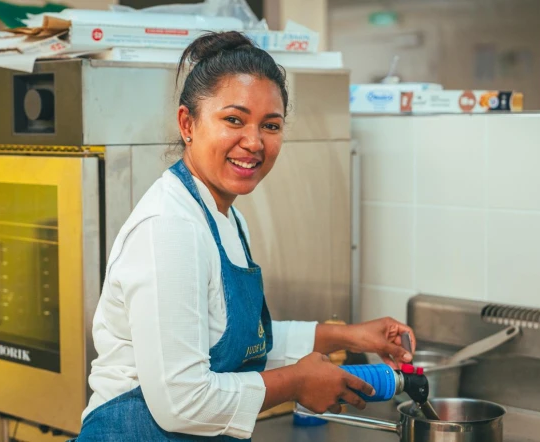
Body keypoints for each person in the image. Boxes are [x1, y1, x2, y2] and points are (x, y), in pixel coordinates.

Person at [72, 31, 416, 442]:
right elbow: (183, 401)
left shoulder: (225, 217)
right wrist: (294, 382)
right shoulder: (169, 228)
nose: (253, 142)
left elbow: (242, 342)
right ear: (188, 123)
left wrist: (349, 333)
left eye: (270, 125)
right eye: (233, 119)